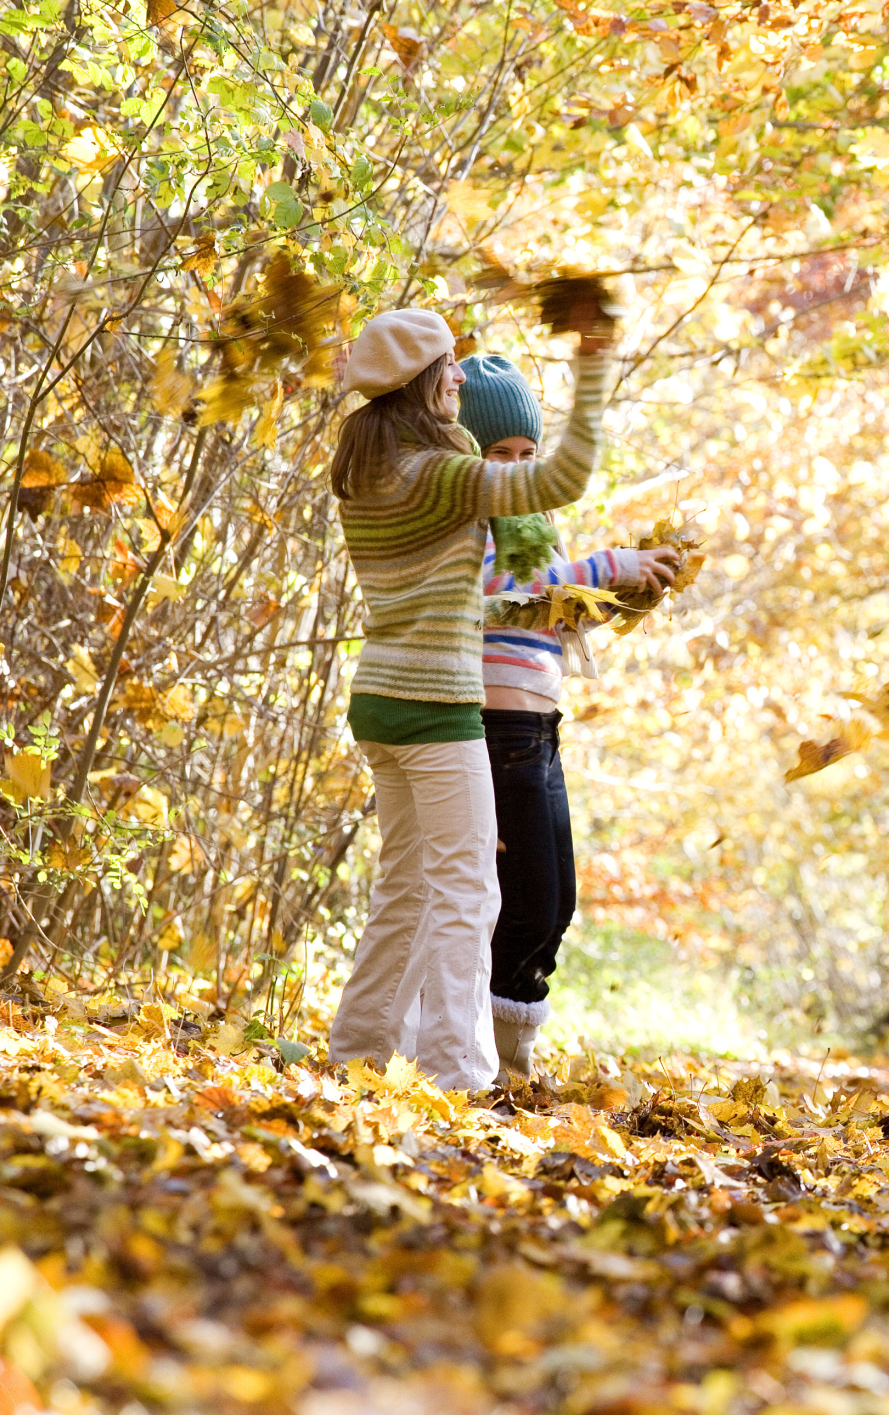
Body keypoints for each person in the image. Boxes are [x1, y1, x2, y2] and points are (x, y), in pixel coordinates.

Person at [325, 297, 616, 1092]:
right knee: (466, 888)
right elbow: (563, 476)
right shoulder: (443, 477)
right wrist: (590, 376)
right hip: (435, 708)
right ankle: (456, 1069)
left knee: (406, 886)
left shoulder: (373, 470)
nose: (458, 373)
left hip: (380, 701)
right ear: (422, 383)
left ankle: (357, 1049)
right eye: (446, 365)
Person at [453, 353, 681, 1077]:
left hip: (543, 732)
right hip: (499, 731)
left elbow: (544, 614)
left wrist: (623, 597)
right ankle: (482, 1057)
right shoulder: (468, 521)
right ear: (471, 455)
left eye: (528, 454)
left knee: (558, 905)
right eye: (500, 454)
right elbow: (502, 588)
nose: (518, 469)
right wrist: (606, 565)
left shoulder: (535, 529)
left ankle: (510, 1057)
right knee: (522, 902)